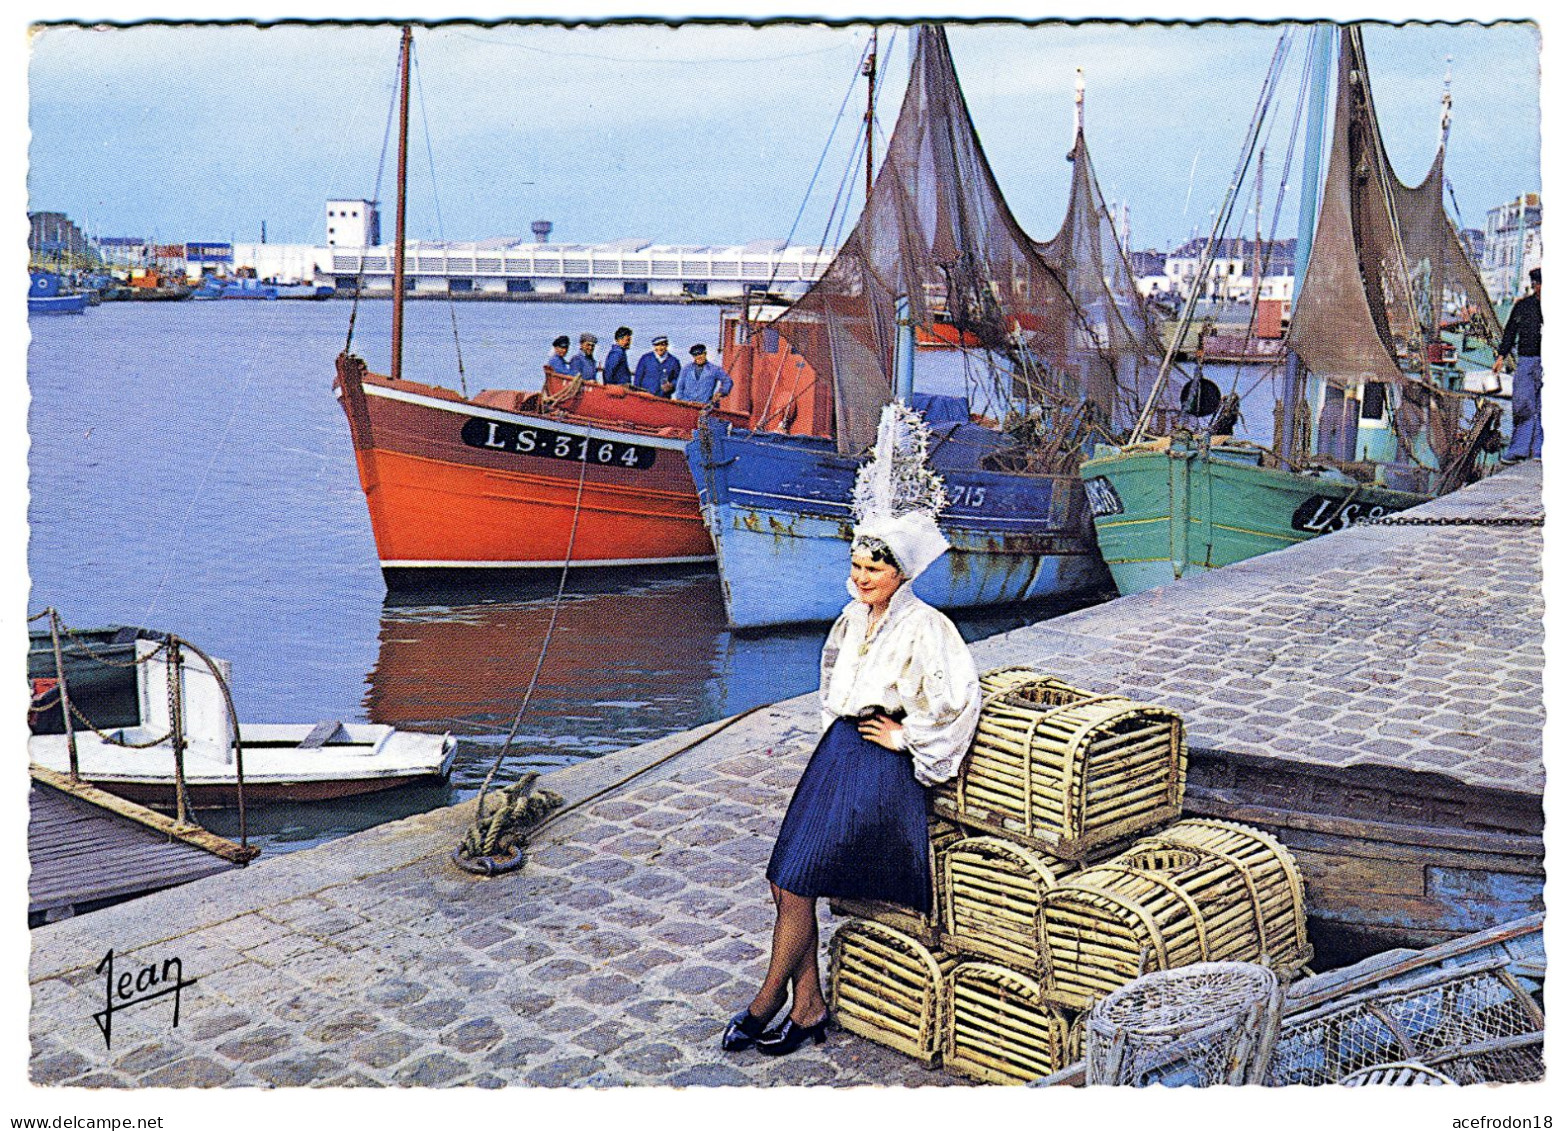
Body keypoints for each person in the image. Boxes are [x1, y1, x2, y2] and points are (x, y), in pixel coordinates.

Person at [720, 509, 981, 1057]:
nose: (863, 578)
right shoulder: (850, 617)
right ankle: (809, 1006)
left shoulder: (927, 626)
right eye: (857, 566)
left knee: (795, 882)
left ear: (902, 576)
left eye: (876, 571)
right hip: (839, 752)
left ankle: (767, 1002)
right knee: (785, 880)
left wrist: (905, 737)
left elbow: (957, 700)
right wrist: (838, 736)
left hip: (879, 766)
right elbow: (829, 685)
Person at [1494, 266, 1543, 464]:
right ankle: (1519, 450)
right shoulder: (1523, 306)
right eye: (1537, 284)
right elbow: (1510, 331)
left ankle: (1540, 451)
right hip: (1526, 360)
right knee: (1523, 405)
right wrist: (1501, 356)